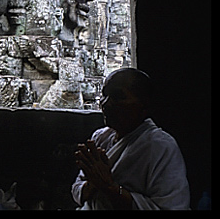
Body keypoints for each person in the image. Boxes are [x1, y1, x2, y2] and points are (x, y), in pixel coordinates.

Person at [72, 68, 190, 210]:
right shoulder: (100, 138)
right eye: (105, 95)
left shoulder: (160, 147)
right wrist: (93, 184)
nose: (106, 104)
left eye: (117, 97)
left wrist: (109, 187)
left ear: (144, 105)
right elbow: (78, 189)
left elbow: (169, 207)